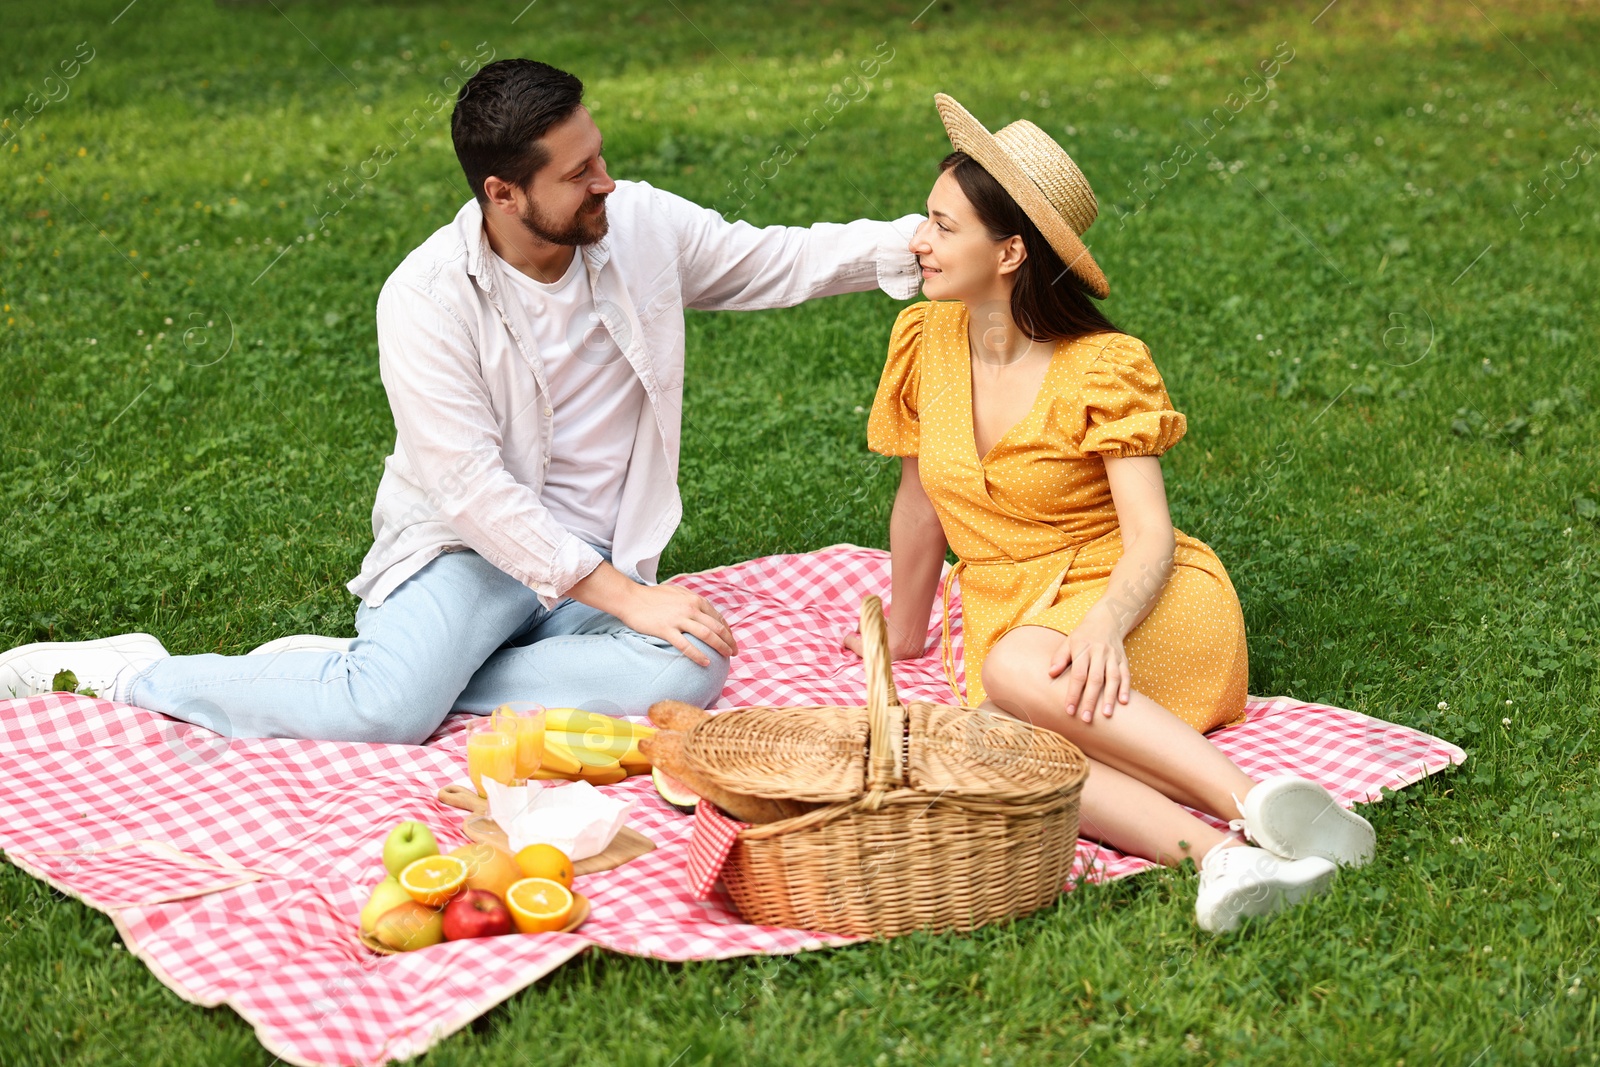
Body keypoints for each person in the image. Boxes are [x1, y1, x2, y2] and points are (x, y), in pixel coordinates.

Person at [0, 59, 925, 744]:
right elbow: (473, 491)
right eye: (578, 173)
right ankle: (139, 674)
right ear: (503, 193)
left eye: (599, 155)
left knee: (692, 659)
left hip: (599, 551)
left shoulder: (640, 225)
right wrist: (624, 602)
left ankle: (398, 673)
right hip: (473, 552)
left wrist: (924, 242)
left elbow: (780, 259)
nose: (606, 181)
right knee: (383, 719)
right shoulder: (425, 296)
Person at [843, 94, 1375, 933]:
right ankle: (1225, 860)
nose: (919, 242)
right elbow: (918, 503)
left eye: (943, 227)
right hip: (1018, 616)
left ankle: (1257, 799)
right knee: (989, 744)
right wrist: (907, 628)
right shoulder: (922, 340)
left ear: (1010, 250)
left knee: (1017, 672)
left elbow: (1151, 536)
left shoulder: (1103, 366)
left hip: (1148, 601)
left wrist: (1102, 625)